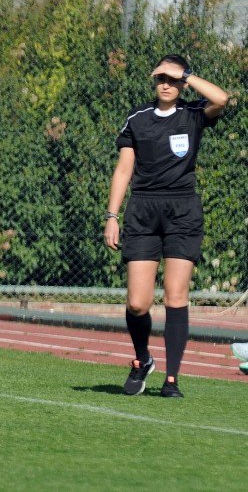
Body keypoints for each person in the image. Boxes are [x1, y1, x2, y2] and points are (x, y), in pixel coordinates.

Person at [104, 54, 228, 398]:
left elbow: (222, 99)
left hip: (183, 212)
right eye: (161, 77)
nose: (167, 84)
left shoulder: (193, 114)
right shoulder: (138, 119)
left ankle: (171, 379)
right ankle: (142, 360)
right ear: (153, 79)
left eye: (173, 79)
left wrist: (186, 74)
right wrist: (112, 216)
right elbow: (123, 170)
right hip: (143, 211)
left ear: (183, 82)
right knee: (138, 304)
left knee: (176, 295)